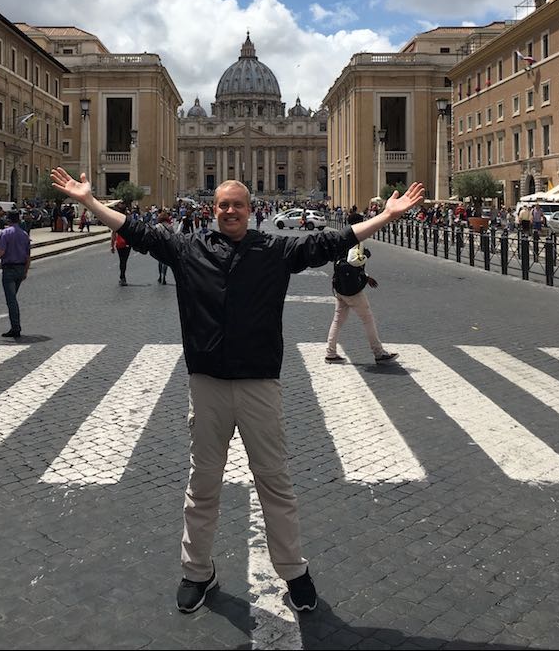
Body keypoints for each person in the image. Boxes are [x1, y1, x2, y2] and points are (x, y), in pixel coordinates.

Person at [50, 165, 425, 615]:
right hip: (207, 384)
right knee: (202, 483)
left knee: (275, 482)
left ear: (249, 211)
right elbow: (139, 231)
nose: (230, 211)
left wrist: (386, 216)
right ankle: (196, 571)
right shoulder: (188, 248)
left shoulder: (275, 250)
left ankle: (294, 570)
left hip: (259, 385)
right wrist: (90, 203)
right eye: (223, 205)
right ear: (214, 210)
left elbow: (332, 242)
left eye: (237, 205)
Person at [324, 244, 397, 365]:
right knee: (367, 319)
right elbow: (357, 264)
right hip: (354, 293)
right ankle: (378, 352)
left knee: (337, 321)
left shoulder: (339, 243)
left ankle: (330, 353)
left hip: (340, 289)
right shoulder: (357, 245)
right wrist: (365, 270)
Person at [0, 210, 31, 340]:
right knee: (12, 297)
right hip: (21, 269)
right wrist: (26, 271)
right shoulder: (24, 234)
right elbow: (28, 256)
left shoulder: (4, 233)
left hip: (9, 269)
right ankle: (15, 325)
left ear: (8, 220)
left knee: (11, 300)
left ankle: (16, 328)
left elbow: (2, 251)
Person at [110, 204, 132, 286]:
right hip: (127, 243)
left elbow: (113, 233)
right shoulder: (128, 220)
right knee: (124, 261)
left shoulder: (116, 220)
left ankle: (122, 277)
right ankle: (122, 277)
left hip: (119, 243)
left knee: (121, 260)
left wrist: (112, 245)